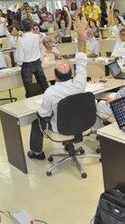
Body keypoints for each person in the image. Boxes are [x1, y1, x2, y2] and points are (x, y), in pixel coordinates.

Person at [27, 17, 89, 160]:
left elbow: (44, 114)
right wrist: (81, 35)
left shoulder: (51, 92)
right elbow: (81, 59)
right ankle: (69, 144)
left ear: (55, 77)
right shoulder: (79, 83)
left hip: (61, 128)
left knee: (37, 122)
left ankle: (37, 152)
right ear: (72, 74)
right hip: (82, 124)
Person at [16, 19, 49, 98]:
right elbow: (43, 38)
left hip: (27, 65)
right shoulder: (37, 37)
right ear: (31, 26)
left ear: (22, 28)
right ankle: (48, 97)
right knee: (43, 81)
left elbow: (19, 58)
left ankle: (30, 103)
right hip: (37, 62)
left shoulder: (21, 41)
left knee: (29, 86)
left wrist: (20, 64)